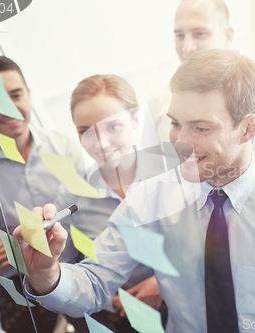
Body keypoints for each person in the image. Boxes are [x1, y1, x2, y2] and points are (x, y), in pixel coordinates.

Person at [15, 49, 255, 333]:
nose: (179, 141)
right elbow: (96, 281)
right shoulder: (150, 198)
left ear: (248, 128)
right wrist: (48, 274)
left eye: (200, 127)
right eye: (174, 123)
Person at [0, 55, 83, 333]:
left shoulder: (65, 147)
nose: (8, 108)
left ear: (28, 95)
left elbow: (90, 224)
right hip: (22, 292)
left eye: (15, 94)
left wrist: (18, 242)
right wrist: (57, 231)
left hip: (81, 273)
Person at [147, 0, 255, 191]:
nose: (187, 47)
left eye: (200, 34)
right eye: (179, 35)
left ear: (228, 36)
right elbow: (150, 175)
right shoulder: (158, 102)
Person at [56, 74, 167, 332]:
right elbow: (64, 266)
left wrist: (161, 285)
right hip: (118, 319)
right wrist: (108, 300)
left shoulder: (171, 174)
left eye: (113, 127)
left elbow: (206, 250)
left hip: (183, 307)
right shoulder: (72, 195)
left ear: (135, 120)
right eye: (85, 131)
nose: (101, 143)